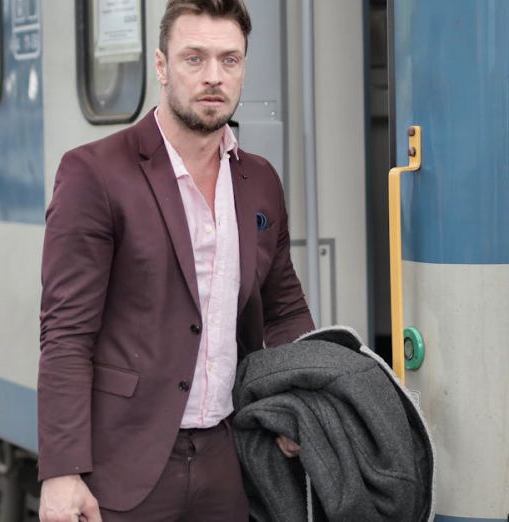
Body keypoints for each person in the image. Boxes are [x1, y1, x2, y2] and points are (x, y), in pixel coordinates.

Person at [37, 1, 315, 520]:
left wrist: (304, 406)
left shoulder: (259, 181)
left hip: (227, 459)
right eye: (195, 59)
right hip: (124, 466)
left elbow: (284, 310)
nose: (214, 76)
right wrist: (61, 471)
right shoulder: (94, 173)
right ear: (161, 66)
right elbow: (66, 333)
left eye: (229, 60)